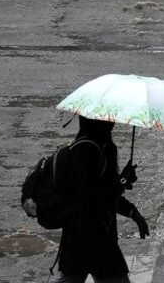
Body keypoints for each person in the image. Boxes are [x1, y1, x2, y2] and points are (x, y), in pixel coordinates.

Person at [50, 116, 150, 283]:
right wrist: (123, 181)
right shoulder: (87, 150)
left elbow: (107, 191)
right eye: (108, 120)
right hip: (91, 238)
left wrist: (132, 211)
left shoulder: (102, 147)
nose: (112, 124)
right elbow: (93, 197)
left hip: (87, 238)